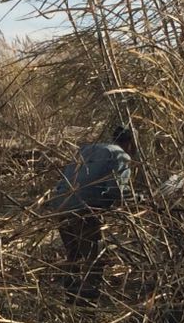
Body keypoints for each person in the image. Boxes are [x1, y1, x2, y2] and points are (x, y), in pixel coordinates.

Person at [47, 125, 135, 302]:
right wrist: (135, 198)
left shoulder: (87, 149)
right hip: (85, 209)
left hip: (61, 205)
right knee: (92, 258)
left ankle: (71, 297)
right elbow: (114, 191)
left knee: (73, 254)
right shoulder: (120, 156)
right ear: (130, 143)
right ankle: (88, 303)